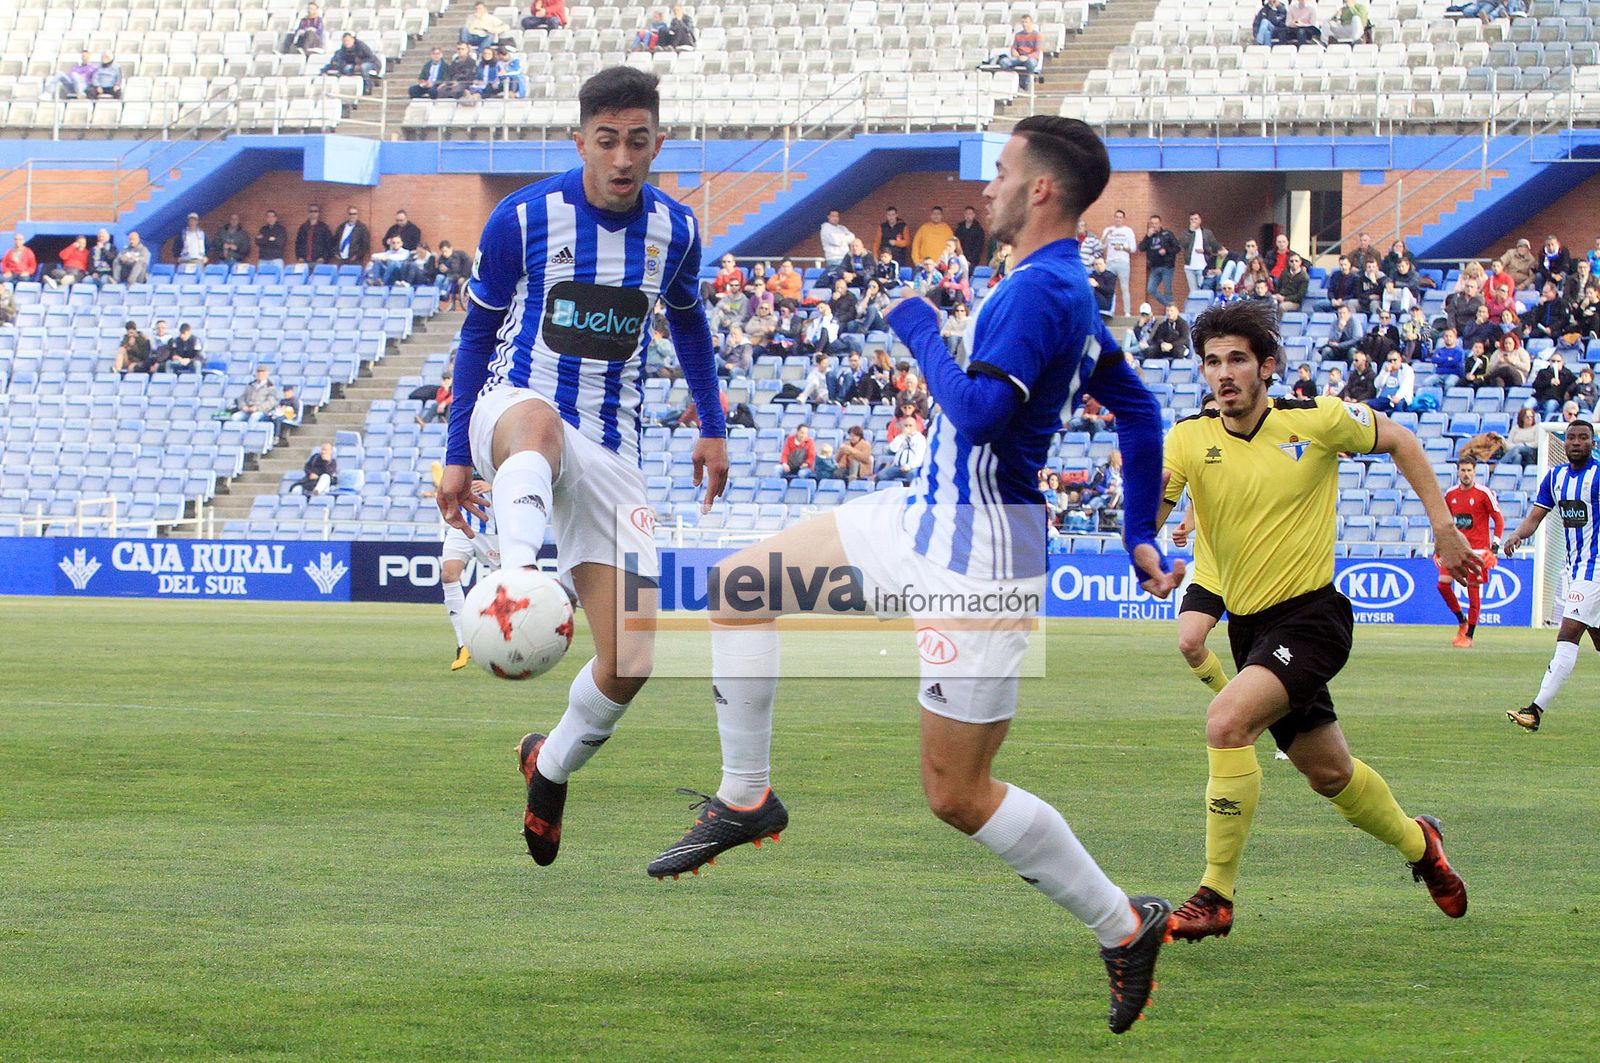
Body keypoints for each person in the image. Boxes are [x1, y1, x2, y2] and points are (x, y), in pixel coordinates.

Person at [644, 116, 1179, 1035]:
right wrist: (1137, 532)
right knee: (742, 585)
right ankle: (746, 796)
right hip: (918, 515)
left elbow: (974, 412)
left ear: (1042, 189)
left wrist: (918, 328)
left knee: (957, 792)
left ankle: (1125, 924)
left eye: (1003, 172)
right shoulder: (1058, 286)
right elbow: (1138, 409)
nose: (987, 189)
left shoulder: (1041, 294)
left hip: (978, 559)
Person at [435, 66, 728, 868]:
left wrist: (713, 424)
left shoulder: (677, 230)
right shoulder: (522, 217)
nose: (623, 157)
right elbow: (476, 333)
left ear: (657, 142)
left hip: (614, 449)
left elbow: (693, 325)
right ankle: (521, 576)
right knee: (536, 421)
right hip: (519, 406)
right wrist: (458, 450)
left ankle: (549, 764)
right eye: (608, 141)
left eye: (638, 141)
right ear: (581, 142)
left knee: (631, 660)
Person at [1159, 299, 1473, 944]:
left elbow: (1402, 439)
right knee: (1328, 773)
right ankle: (1424, 847)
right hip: (1250, 629)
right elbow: (1155, 507)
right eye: (1212, 362)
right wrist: (1146, 545)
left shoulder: (1318, 419)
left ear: (1266, 367)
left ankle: (1215, 895)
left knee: (1226, 723)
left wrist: (1442, 528)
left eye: (1237, 360)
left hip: (1312, 618)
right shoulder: (1189, 438)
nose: (1224, 374)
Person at [1503, 420, 1600, 733]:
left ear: (1592, 442)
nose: (1575, 442)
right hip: (1575, 570)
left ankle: (1535, 710)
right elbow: (1535, 517)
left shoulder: (1598, 476)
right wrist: (1517, 536)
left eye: (1583, 438)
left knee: (1568, 634)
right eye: (1571, 437)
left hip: (1595, 569)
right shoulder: (1555, 478)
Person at [1171, 395, 1230, 696]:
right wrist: (1185, 527)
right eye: (1207, 412)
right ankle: (1230, 697)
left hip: (1255, 573)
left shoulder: (1248, 458)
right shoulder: (1200, 460)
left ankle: (1291, 732)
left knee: (1265, 661)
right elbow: (1196, 504)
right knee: (1189, 642)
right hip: (1211, 574)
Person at [1436, 459, 1503, 650]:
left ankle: (1469, 636)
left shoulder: (1484, 494)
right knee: (1442, 585)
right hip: (1456, 549)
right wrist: (1439, 547)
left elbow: (1498, 520)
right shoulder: (1451, 494)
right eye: (1463, 470)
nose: (1466, 474)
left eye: (1469, 470)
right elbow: (1444, 522)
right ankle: (1461, 620)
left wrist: (1494, 548)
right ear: (1458, 472)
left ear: (1474, 472)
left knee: (1473, 592)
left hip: (1478, 551)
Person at [441, 474, 501, 670]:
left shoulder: (503, 447)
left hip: (497, 532)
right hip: (464, 525)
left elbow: (525, 478)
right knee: (449, 575)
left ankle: (507, 642)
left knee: (510, 588)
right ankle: (463, 643)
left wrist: (493, 484)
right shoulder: (458, 446)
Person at [1100, 209, 1136, 316]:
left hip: (1123, 262)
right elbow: (1101, 246)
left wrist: (1121, 247)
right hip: (1110, 262)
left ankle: (1127, 312)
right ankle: (1109, 310)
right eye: (1116, 217)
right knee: (1108, 287)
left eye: (1120, 217)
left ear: (1123, 219)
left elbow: (1133, 248)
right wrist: (1107, 235)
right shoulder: (1108, 229)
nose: (1118, 219)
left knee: (1124, 287)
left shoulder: (1128, 231)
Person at [1139, 215, 1179, 309]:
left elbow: (1177, 248)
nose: (1154, 225)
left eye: (1156, 223)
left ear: (1160, 224)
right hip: (1154, 267)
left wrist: (1166, 250)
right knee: (1150, 289)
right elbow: (1141, 248)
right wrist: (1147, 236)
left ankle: (1170, 310)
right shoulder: (1149, 236)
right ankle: (1170, 307)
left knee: (1167, 290)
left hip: (1167, 266)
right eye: (1152, 224)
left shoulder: (1167, 234)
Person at [994, 14, 1044, 88]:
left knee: (1031, 63)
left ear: (1031, 23)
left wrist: (1027, 57)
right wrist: (1016, 54)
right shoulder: (1018, 35)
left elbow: (1037, 51)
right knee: (1004, 62)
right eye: (1023, 22)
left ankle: (1025, 83)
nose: (1024, 24)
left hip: (1030, 58)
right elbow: (1014, 48)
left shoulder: (1038, 35)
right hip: (1019, 57)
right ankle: (1014, 80)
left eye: (1026, 22)